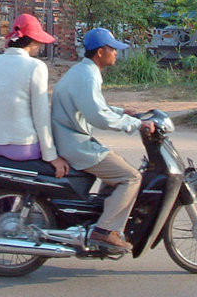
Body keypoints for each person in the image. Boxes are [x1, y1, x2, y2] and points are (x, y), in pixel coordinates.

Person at [51, 27, 155, 253]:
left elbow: (95, 106)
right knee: (131, 177)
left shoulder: (83, 71)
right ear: (100, 52)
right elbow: (97, 116)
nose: (116, 53)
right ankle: (105, 230)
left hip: (73, 138)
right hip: (75, 145)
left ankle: (99, 217)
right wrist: (136, 124)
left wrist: (122, 111)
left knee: (116, 167)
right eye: (112, 49)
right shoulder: (88, 76)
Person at [0, 13, 70, 178]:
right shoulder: (36, 66)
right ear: (32, 41)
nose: (40, 46)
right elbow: (41, 115)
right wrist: (52, 156)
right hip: (21, 146)